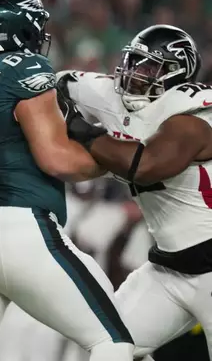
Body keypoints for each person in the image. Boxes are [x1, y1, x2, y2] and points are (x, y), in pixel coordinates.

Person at [0, 0, 134, 361]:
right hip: (18, 226)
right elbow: (57, 159)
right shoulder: (24, 67)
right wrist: (111, 161)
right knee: (114, 341)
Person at [57, 24, 212, 360]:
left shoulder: (193, 116)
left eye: (149, 66)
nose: (135, 73)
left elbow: (145, 165)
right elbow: (59, 83)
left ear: (176, 74)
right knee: (108, 347)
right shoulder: (114, 97)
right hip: (168, 269)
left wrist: (82, 131)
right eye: (134, 62)